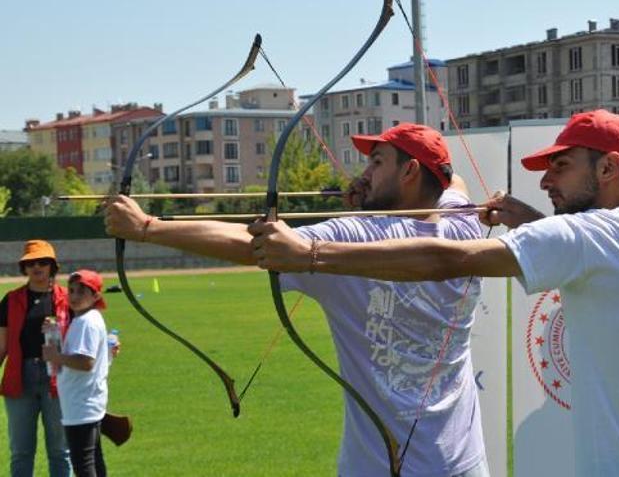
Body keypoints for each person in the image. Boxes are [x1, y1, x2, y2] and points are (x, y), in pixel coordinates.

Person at [251, 109, 619, 477]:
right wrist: (532, 221)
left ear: (610, 167)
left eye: (561, 165)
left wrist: (309, 252)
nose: (545, 179)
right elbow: (607, 252)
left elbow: (448, 259)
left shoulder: (582, 236)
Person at [104, 123, 489, 476]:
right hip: (462, 462)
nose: (366, 173)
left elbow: (256, 243)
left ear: (409, 172)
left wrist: (147, 228)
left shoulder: (354, 236)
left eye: (376, 162)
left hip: (380, 467)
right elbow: (453, 179)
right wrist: (377, 189)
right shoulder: (463, 224)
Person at [0, 240, 72, 477]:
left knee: (60, 451)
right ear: (24, 268)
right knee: (21, 451)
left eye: (42, 262)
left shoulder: (68, 299)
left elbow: (83, 340)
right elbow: (2, 346)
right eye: (30, 263)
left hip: (59, 379)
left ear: (52, 266)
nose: (36, 267)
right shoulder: (10, 300)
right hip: (20, 378)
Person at [42, 269, 110, 477]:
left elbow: (86, 362)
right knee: (93, 459)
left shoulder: (85, 322)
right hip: (87, 400)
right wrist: (54, 335)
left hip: (81, 404)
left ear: (96, 296)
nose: (74, 296)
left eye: (82, 292)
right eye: (71, 291)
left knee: (83, 463)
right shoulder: (89, 318)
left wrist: (55, 356)